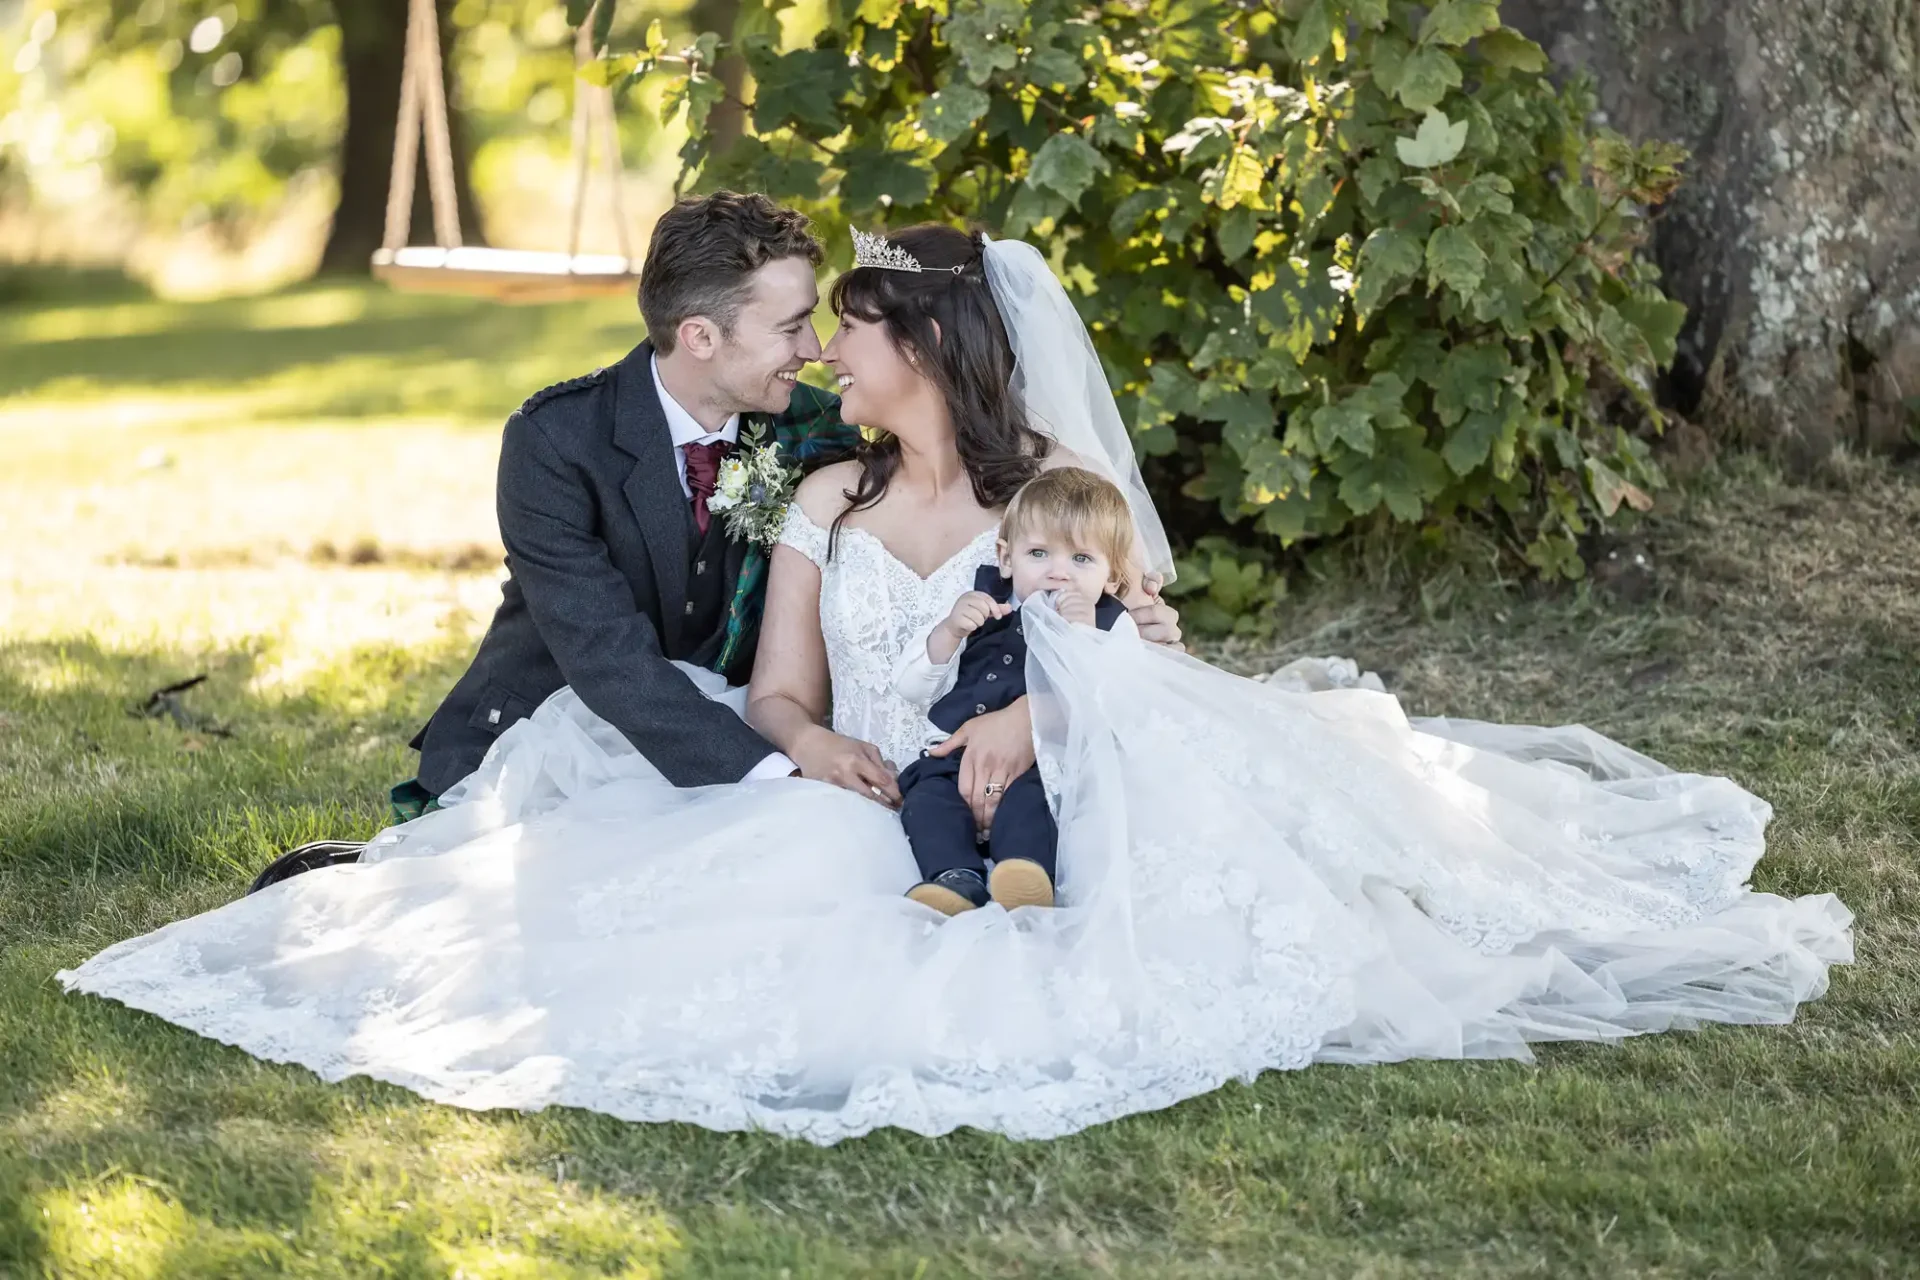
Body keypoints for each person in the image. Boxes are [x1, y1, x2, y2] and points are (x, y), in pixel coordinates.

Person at [60, 223, 1852, 1146]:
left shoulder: (1038, 500)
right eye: (809, 325)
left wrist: (1043, 701)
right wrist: (816, 741)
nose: (827, 351)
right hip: (863, 789)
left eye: (847, 326)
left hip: (1032, 773)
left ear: (921, 347)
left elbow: (1137, 640)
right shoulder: (823, 495)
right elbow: (769, 688)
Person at [895, 468, 1140, 915]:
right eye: (1039, 553)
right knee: (928, 799)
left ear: (1112, 576)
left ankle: (1025, 873)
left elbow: (1120, 703)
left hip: (1048, 763)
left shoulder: (1109, 623)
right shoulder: (986, 604)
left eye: (1081, 559)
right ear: (1007, 559)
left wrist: (1084, 640)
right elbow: (910, 688)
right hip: (955, 758)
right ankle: (955, 878)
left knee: (1037, 802)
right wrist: (949, 633)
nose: (1058, 573)